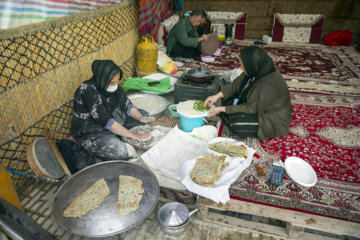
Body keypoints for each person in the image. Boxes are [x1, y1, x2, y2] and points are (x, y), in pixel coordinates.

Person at [204, 46, 292, 140]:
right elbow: (236, 84)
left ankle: (229, 118)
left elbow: (251, 108)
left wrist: (223, 109)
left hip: (271, 117)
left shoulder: (267, 85)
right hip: (255, 104)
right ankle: (227, 114)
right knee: (225, 99)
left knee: (236, 122)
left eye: (242, 65)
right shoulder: (256, 69)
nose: (240, 68)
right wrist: (217, 96)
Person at [71, 60, 153, 161]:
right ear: (102, 79)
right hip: (93, 129)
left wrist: (140, 117)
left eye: (117, 81)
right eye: (112, 82)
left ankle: (120, 133)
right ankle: (120, 135)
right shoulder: (87, 90)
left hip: (113, 118)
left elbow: (127, 104)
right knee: (121, 151)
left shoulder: (114, 86)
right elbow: (106, 120)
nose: (115, 85)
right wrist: (133, 135)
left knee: (143, 115)